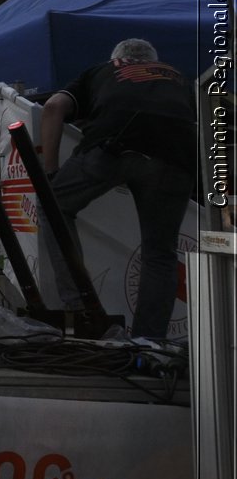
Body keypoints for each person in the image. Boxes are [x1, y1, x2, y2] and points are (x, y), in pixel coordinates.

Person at [38, 38, 198, 340]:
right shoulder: (178, 77)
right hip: (177, 157)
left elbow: (53, 107)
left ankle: (82, 309)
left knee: (53, 207)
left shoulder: (101, 70)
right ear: (154, 61)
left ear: (116, 59)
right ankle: (148, 344)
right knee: (160, 253)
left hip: (114, 143)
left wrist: (51, 172)